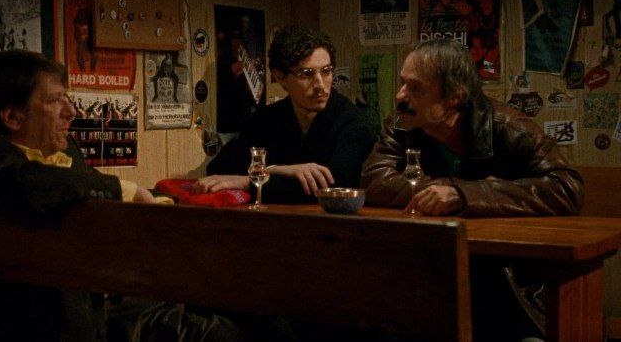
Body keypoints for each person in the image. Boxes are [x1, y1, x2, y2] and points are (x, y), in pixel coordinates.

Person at [360, 38, 584, 341]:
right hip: (431, 275)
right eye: (402, 83)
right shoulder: (403, 122)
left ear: (455, 96)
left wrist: (463, 195)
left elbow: (567, 187)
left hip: (507, 284)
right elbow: (374, 181)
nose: (400, 95)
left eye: (415, 88)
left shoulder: (507, 126)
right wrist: (444, 190)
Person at [0, 50, 155, 342]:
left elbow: (86, 185)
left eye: (66, 98)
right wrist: (124, 189)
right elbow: (28, 184)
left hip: (102, 309)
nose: (72, 111)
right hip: (39, 327)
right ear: (13, 117)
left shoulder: (65, 151)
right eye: (55, 100)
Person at [196, 25, 376, 204]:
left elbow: (334, 188)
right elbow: (219, 171)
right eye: (307, 74)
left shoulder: (353, 123)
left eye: (326, 71)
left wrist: (249, 182)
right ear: (280, 77)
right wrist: (279, 170)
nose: (320, 85)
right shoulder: (268, 118)